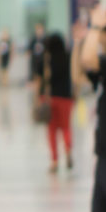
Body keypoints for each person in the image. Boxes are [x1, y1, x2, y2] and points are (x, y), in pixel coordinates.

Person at [70, 6, 106, 212]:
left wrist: (94, 28)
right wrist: (78, 42)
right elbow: (79, 75)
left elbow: (89, 62)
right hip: (105, 149)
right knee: (100, 207)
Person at [35, 33, 76, 172]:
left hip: (48, 98)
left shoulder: (45, 59)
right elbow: (75, 77)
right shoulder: (68, 57)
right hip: (66, 97)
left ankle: (54, 161)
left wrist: (36, 98)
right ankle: (68, 151)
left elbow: (39, 80)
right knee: (66, 127)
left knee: (52, 131)